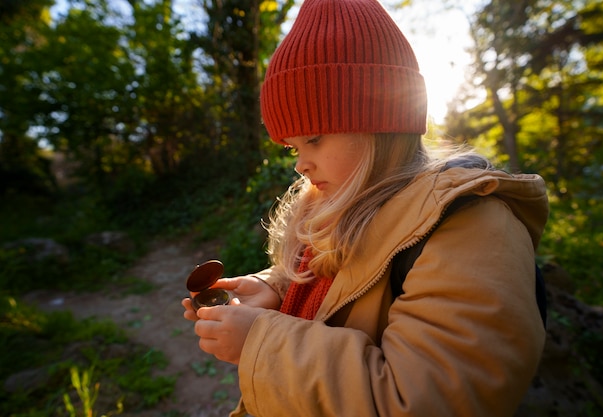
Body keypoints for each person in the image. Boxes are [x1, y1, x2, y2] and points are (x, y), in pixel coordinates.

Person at [182, 0, 549, 415]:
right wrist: (277, 289)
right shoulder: (343, 203)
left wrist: (261, 343)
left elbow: (429, 399)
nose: (300, 164)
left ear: (379, 122)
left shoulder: (472, 226)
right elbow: (349, 281)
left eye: (314, 138)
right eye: (293, 147)